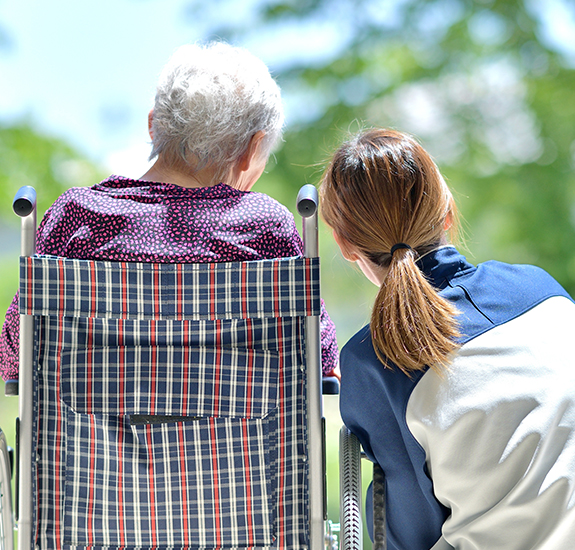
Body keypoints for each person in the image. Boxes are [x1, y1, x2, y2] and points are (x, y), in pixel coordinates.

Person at [0, 41, 338, 383]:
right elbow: (320, 355)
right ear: (252, 149)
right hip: (233, 419)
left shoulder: (76, 216)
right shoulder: (266, 226)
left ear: (153, 125)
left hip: (90, 419)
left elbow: (15, 355)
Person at [320, 128, 575, 549]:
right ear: (447, 211)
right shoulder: (545, 292)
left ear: (346, 245)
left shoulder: (376, 361)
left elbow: (408, 534)